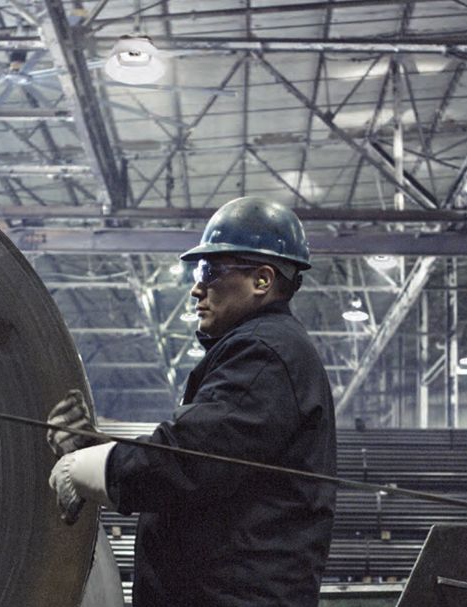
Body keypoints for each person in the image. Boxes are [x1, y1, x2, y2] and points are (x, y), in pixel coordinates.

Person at [47, 197, 337, 607]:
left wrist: (91, 468)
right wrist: (96, 449)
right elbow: (209, 459)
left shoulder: (264, 356)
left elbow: (188, 460)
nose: (197, 287)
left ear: (262, 280)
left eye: (211, 270)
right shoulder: (265, 352)